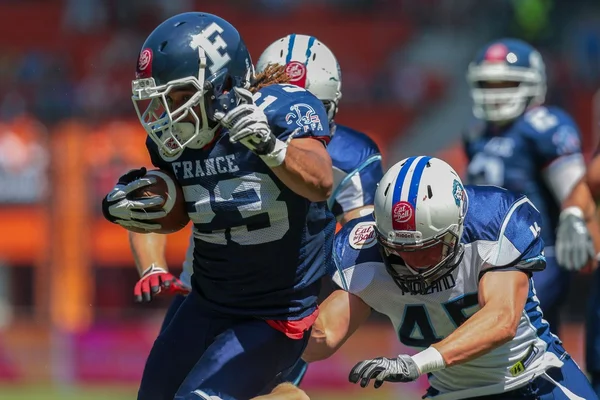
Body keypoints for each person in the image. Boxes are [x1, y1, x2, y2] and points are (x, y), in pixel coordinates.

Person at [101, 12, 335, 400]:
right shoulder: (173, 139)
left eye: (176, 96)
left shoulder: (278, 109)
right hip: (207, 303)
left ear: (221, 83)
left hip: (273, 314)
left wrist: (271, 147)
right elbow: (184, 208)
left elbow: (321, 182)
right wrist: (141, 207)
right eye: (159, 97)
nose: (167, 113)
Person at [300, 156, 597, 399]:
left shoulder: (494, 221)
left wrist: (416, 363)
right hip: (449, 393)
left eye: (429, 248)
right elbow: (322, 337)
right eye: (399, 249)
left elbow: (501, 319)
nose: (414, 262)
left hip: (532, 380)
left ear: (457, 225)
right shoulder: (363, 250)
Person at [254, 33, 384, 388]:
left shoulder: (351, 157)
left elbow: (365, 251)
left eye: (312, 110)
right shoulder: (229, 139)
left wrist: (334, 318)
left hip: (289, 301)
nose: (299, 124)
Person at [463, 38, 595, 334]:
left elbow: (576, 190)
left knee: (521, 342)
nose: (496, 95)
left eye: (507, 83)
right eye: (489, 84)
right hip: (486, 259)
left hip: (536, 258)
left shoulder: (545, 126)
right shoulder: (476, 135)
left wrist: (577, 226)